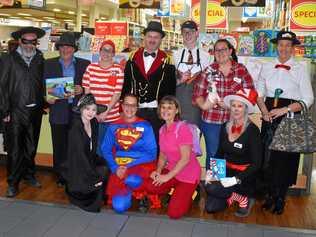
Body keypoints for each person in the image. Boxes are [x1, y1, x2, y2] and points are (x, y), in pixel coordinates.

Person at [257, 30, 314, 215]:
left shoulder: (300, 69)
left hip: (289, 117)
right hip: (269, 115)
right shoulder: (265, 66)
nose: (284, 48)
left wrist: (285, 109)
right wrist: (264, 111)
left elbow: (308, 99)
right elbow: (258, 94)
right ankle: (270, 195)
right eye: (281, 45)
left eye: (288, 45)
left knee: (285, 161)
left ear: (293, 48)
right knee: (268, 158)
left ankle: (281, 197)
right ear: (276, 46)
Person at [193, 39, 254, 169]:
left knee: (233, 153)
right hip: (211, 120)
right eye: (217, 50)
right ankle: (215, 185)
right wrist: (204, 105)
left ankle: (231, 183)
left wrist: (231, 107)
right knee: (215, 153)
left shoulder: (241, 70)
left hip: (235, 120)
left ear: (230, 51)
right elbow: (197, 94)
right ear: (213, 53)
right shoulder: (208, 70)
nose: (220, 53)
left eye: (224, 49)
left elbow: (250, 94)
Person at [0, 27, 46, 197]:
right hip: (15, 111)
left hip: (35, 111)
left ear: (36, 42)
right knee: (14, 149)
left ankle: (29, 175)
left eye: (33, 41)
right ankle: (13, 183)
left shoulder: (40, 58)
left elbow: (43, 83)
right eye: (26, 41)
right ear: (20, 41)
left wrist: (46, 100)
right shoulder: (8, 59)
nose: (29, 45)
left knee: (31, 146)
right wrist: (4, 110)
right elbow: (1, 86)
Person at [205, 89, 261, 217]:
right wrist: (212, 172)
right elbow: (219, 153)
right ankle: (233, 196)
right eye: (233, 105)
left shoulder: (253, 131)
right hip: (227, 172)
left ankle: (244, 198)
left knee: (213, 189)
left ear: (246, 109)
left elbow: (256, 164)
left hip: (244, 176)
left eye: (240, 106)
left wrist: (235, 179)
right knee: (210, 206)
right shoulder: (225, 126)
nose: (236, 109)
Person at [44, 32, 90, 186]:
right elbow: (41, 88)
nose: (65, 49)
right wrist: (47, 99)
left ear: (74, 49)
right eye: (62, 46)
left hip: (77, 111)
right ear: (58, 48)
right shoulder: (48, 64)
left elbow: (90, 86)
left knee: (77, 143)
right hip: (57, 110)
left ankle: (76, 173)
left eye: (68, 47)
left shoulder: (84, 64)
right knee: (59, 145)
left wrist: (82, 89)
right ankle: (61, 176)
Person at [144, 96, 201, 219]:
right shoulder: (162, 130)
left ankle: (192, 192)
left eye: (170, 108)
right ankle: (175, 190)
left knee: (174, 214)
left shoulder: (182, 128)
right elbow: (163, 156)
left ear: (176, 111)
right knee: (150, 185)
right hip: (172, 170)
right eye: (163, 107)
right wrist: (158, 171)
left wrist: (166, 177)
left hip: (188, 174)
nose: (166, 111)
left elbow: (185, 159)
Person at [101, 94, 158, 213]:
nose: (130, 108)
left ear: (137, 108)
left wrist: (128, 165)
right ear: (122, 105)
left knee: (133, 179)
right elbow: (105, 149)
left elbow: (152, 153)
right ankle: (132, 193)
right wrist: (115, 167)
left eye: (133, 105)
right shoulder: (113, 126)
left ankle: (142, 193)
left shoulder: (145, 126)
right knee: (119, 207)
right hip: (119, 168)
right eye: (127, 104)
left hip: (140, 165)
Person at [122, 21, 176, 142]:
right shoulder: (132, 57)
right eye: (149, 36)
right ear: (144, 37)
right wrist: (124, 109)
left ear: (161, 39)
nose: (152, 40)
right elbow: (126, 85)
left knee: (156, 144)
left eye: (156, 37)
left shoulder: (167, 60)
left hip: (157, 112)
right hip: (135, 110)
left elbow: (171, 90)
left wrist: (169, 114)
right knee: (134, 142)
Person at [62, 94, 104, 213]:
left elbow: (92, 148)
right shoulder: (76, 126)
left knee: (104, 167)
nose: (90, 112)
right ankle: (81, 196)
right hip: (77, 164)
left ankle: (94, 194)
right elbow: (79, 155)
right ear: (81, 109)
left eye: (94, 109)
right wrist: (92, 174)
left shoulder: (94, 122)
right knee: (98, 175)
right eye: (87, 108)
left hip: (88, 159)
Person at [82, 40, 124, 156]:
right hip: (92, 116)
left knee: (109, 146)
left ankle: (107, 173)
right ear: (99, 52)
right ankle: (96, 172)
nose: (106, 53)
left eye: (110, 51)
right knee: (94, 146)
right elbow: (87, 92)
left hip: (111, 117)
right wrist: (93, 113)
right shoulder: (91, 68)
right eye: (104, 50)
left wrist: (105, 112)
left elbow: (117, 93)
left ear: (114, 54)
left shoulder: (118, 70)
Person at [173, 20, 210, 125]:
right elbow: (170, 81)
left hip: (196, 106)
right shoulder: (175, 55)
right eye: (184, 32)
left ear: (197, 33)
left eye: (191, 31)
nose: (187, 34)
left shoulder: (207, 57)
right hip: (178, 104)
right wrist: (180, 80)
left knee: (193, 136)